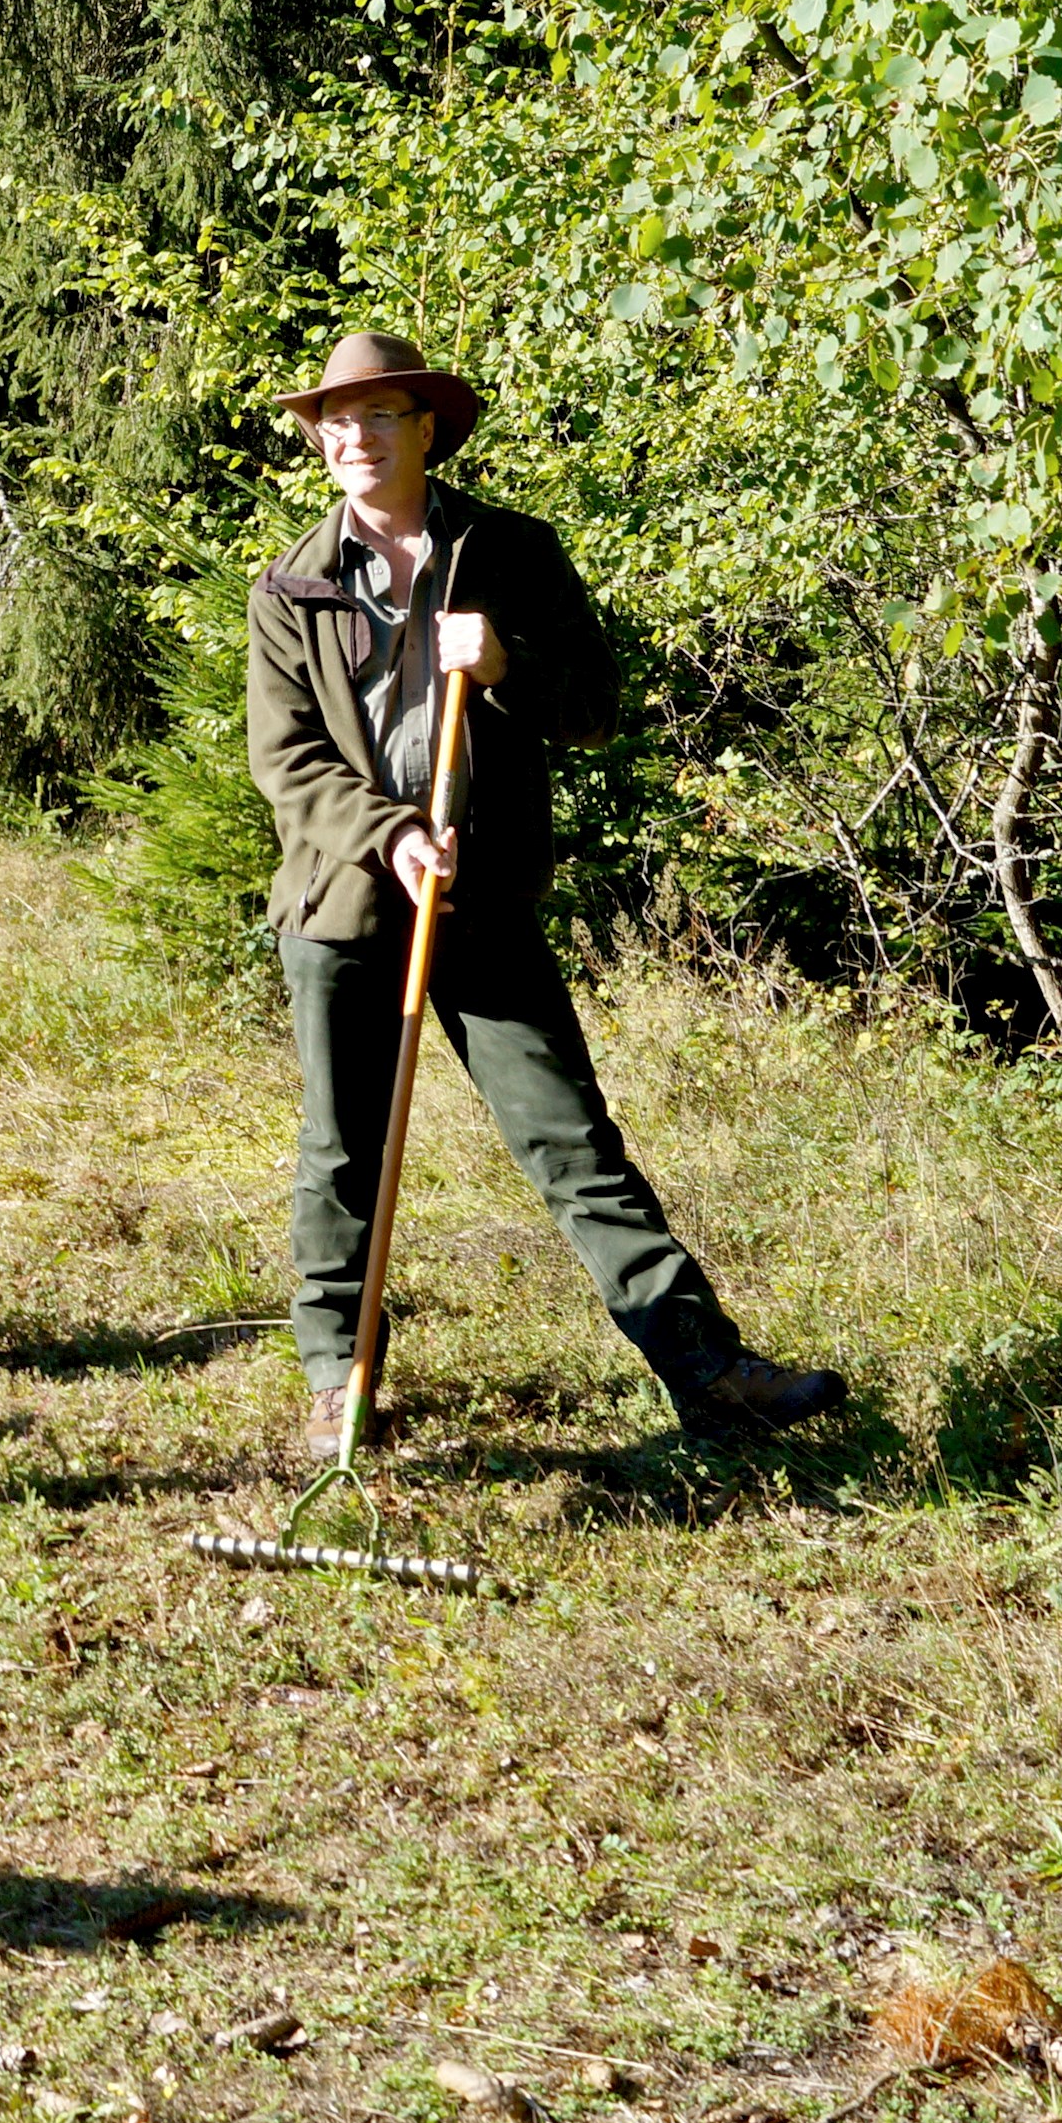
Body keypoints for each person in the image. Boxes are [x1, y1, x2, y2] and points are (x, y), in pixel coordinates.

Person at [251, 331, 845, 1456]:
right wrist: (387, 837)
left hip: (485, 903)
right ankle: (341, 1378)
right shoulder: (292, 586)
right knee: (344, 1152)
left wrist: (505, 665)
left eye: (379, 415)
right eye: (336, 418)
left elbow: (592, 707)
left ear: (427, 428)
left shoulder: (512, 552)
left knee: (574, 1145)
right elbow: (284, 761)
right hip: (341, 904)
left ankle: (707, 1373)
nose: (354, 436)